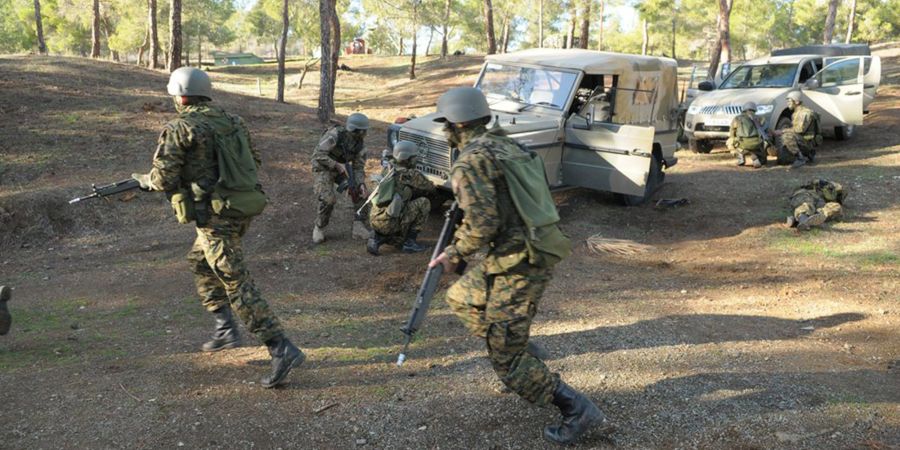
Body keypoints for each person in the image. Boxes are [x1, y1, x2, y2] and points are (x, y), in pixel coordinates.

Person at [427, 87, 613, 445]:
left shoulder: (470, 161)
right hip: (518, 250)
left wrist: (452, 254)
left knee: (505, 362)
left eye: (447, 123)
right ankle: (520, 348)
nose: (445, 130)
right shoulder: (503, 143)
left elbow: (483, 223)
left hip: (521, 262)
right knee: (462, 297)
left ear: (458, 122)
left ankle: (576, 408)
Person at [131, 67, 303, 388]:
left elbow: (163, 178)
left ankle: (280, 347)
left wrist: (144, 181)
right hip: (242, 207)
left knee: (235, 280)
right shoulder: (233, 121)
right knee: (200, 261)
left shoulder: (180, 127)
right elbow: (255, 160)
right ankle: (225, 329)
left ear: (181, 97)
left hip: (215, 218)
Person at [366, 140, 435, 255]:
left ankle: (377, 238)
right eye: (414, 157)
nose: (416, 160)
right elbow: (430, 188)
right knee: (424, 202)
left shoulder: (387, 168)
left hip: (375, 221)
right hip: (391, 223)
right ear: (407, 158)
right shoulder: (410, 174)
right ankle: (409, 243)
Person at [311, 113, 370, 244]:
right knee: (328, 199)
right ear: (356, 130)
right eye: (364, 130)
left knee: (361, 194)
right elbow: (317, 155)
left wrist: (360, 183)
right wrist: (336, 164)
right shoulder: (335, 135)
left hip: (342, 170)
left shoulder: (360, 146)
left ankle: (358, 226)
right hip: (323, 168)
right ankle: (319, 227)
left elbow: (358, 167)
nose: (365, 133)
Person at [774, 91, 821, 168]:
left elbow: (799, 130)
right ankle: (807, 154)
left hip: (808, 142)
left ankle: (800, 158)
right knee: (782, 160)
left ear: (797, 101)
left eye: (789, 101)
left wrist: (782, 131)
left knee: (787, 136)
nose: (788, 103)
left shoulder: (804, 113)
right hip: (803, 140)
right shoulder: (796, 113)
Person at [725, 101, 766, 168]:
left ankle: (740, 156)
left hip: (742, 143)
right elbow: (765, 129)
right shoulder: (760, 118)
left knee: (729, 142)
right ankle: (756, 156)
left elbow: (732, 133)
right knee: (763, 141)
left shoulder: (737, 118)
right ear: (754, 109)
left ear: (744, 109)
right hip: (757, 143)